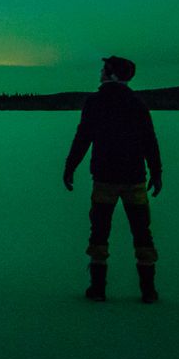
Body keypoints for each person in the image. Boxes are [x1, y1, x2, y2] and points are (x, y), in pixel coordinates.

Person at [62, 55, 163, 303]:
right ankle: (148, 291)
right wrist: (156, 171)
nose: (100, 72)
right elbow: (150, 140)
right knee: (142, 232)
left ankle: (98, 289)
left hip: (105, 179)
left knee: (99, 232)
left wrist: (70, 166)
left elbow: (83, 137)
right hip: (134, 179)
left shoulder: (95, 102)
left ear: (112, 74)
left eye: (104, 69)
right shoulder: (137, 103)